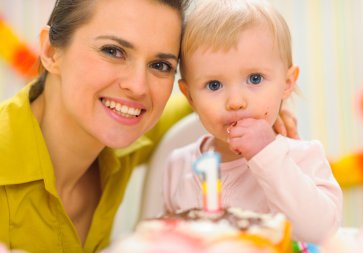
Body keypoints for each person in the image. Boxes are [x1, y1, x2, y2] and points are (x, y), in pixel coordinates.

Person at [0, 0, 298, 252]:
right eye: (113, 51)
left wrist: (258, 110)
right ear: (51, 52)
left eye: (160, 66)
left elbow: (206, 98)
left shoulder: (128, 129)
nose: (138, 87)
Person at [162, 0, 342, 244]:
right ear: (190, 96)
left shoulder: (303, 157)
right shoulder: (178, 165)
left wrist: (267, 154)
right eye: (214, 85)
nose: (235, 101)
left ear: (287, 83)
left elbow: (320, 233)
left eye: (255, 79)